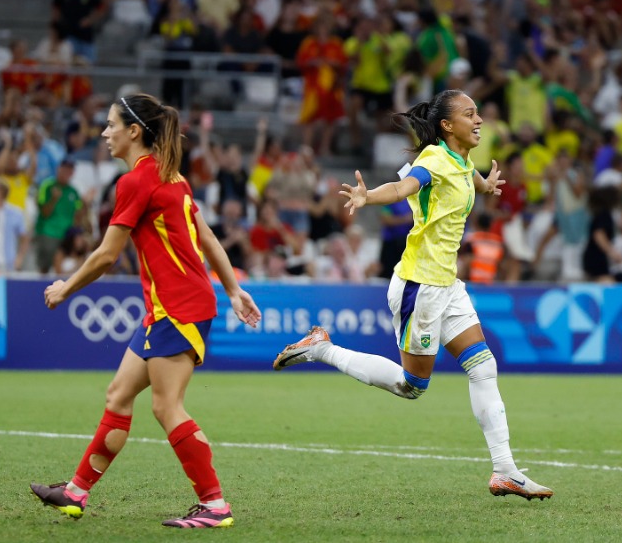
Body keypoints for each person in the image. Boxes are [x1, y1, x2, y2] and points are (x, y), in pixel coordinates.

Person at [273, 89, 554, 501]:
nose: (479, 120)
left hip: (448, 286)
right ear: (446, 125)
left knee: (483, 367)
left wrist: (485, 184)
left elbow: (464, 174)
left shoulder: (459, 159)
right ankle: (321, 348)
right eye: (470, 114)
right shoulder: (433, 160)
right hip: (419, 287)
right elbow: (404, 186)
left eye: (479, 113)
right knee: (412, 387)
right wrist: (368, 197)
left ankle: (505, 471)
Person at [30, 93, 261, 529]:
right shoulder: (170, 176)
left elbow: (105, 256)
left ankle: (215, 505)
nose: (104, 133)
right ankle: (76, 492)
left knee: (166, 406)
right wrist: (232, 289)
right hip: (170, 310)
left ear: (134, 131)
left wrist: (65, 289)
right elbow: (207, 235)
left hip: (179, 309)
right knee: (118, 395)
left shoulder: (137, 181)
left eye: (111, 125)